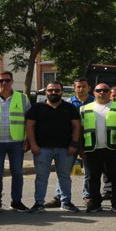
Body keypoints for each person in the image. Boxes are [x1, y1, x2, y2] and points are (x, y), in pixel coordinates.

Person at [25, 82, 82, 213]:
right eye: (50, 90)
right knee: (41, 177)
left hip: (65, 149)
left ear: (62, 92)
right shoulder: (37, 108)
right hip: (42, 148)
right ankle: (39, 203)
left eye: (57, 90)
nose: (53, 93)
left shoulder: (70, 108)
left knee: (65, 176)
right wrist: (33, 144)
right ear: (46, 92)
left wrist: (74, 144)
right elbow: (29, 126)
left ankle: (66, 202)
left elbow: (76, 126)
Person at [0, 71, 30, 212]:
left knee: (17, 173)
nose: (4, 83)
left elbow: (29, 121)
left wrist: (28, 139)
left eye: (7, 80)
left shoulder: (23, 98)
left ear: (12, 81)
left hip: (17, 141)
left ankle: (16, 202)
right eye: (1, 81)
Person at [46, 77, 93, 208]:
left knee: (89, 172)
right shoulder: (65, 103)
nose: (81, 89)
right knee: (63, 172)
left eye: (84, 86)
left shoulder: (94, 103)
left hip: (89, 141)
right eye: (78, 87)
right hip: (69, 141)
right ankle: (58, 197)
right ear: (74, 88)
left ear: (89, 88)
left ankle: (88, 195)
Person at [80, 83, 116, 213]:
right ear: (94, 92)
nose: (102, 92)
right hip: (92, 149)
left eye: (105, 90)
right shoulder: (84, 109)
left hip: (113, 148)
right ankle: (95, 204)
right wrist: (80, 148)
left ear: (109, 92)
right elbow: (80, 130)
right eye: (99, 90)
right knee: (93, 178)